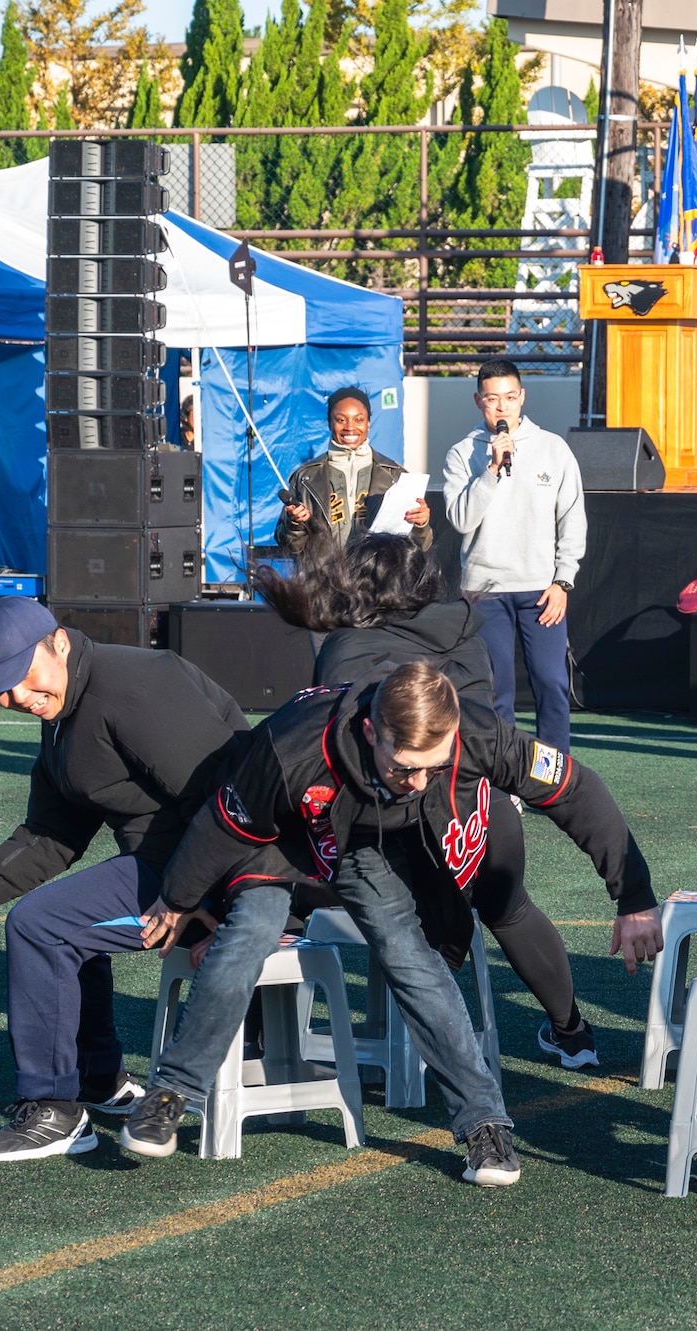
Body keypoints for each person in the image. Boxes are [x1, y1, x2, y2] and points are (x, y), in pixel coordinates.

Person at [119, 662, 663, 1181]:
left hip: (365, 848)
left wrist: (633, 897)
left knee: (411, 959)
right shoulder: (292, 747)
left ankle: (485, 1127)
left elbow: (577, 789)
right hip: (282, 842)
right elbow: (223, 826)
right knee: (247, 938)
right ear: (371, 730)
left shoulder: (478, 734)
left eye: (434, 766)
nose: (420, 781)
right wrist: (177, 898)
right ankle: (171, 1093)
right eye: (405, 767)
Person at [0, 598, 253, 1161]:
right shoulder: (65, 708)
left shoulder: (136, 686)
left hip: (214, 871)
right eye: (2, 688)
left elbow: (227, 798)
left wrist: (191, 901)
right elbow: (54, 831)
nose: (19, 698)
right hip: (171, 868)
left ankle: (53, 1109)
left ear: (61, 643)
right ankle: (100, 1080)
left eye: (24, 676)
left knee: (40, 926)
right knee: (64, 922)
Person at [255, 532, 601, 1069]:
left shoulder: (346, 647)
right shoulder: (468, 629)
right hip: (480, 813)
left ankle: (264, 1037)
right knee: (509, 907)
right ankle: (572, 1031)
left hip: (394, 825)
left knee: (277, 886)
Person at [441, 359, 586, 753]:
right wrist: (490, 469)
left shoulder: (553, 448)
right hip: (484, 591)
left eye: (509, 397)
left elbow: (572, 519)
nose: (501, 407)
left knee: (551, 682)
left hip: (540, 589)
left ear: (522, 397)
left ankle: (555, 775)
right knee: (495, 689)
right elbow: (460, 519)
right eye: (492, 399)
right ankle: (505, 782)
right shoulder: (461, 455)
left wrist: (563, 581)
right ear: (478, 401)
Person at [275, 386, 431, 555]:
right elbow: (289, 546)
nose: (350, 427)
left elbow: (419, 547)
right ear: (329, 423)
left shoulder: (395, 475)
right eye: (341, 420)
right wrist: (295, 524)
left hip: (378, 579)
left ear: (368, 423)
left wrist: (420, 524)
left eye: (358, 420)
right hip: (323, 579)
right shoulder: (306, 477)